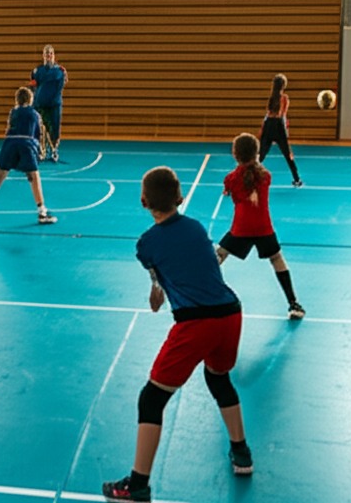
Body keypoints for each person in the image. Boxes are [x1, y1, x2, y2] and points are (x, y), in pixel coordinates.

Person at [102, 166, 251, 502]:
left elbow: (158, 273)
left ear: (143, 201)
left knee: (151, 399)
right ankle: (241, 452)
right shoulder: (197, 228)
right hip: (230, 314)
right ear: (180, 198)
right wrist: (160, 287)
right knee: (219, 379)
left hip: (196, 323)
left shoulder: (146, 245)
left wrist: (156, 289)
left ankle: (137, 485)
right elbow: (191, 267)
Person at [217, 132, 305, 320]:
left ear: (235, 154)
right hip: (263, 227)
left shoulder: (230, 178)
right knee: (277, 259)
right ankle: (293, 304)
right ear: (256, 153)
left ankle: (203, 294)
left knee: (219, 255)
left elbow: (230, 189)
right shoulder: (266, 176)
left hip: (241, 228)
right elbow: (254, 179)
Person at [0, 87, 57, 225]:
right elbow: (38, 135)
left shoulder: (13, 112)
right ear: (30, 100)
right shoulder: (35, 114)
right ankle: (42, 212)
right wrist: (40, 152)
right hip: (27, 143)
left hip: (10, 143)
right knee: (34, 177)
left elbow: (8, 130)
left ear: (17, 100)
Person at [259, 73, 302, 187]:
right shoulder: (284, 98)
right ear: (284, 85)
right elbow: (283, 115)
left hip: (269, 125)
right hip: (278, 126)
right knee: (288, 154)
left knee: (261, 154)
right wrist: (285, 133)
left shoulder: (271, 98)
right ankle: (297, 179)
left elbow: (267, 115)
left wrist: (263, 129)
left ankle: (247, 175)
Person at [29, 44, 67, 162]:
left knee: (54, 129)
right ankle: (41, 151)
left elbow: (61, 86)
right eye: (46, 53)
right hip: (39, 105)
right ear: (43, 55)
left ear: (54, 55)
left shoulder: (59, 71)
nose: (49, 55)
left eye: (51, 53)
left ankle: (54, 150)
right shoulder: (37, 71)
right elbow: (33, 87)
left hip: (54, 105)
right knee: (40, 129)